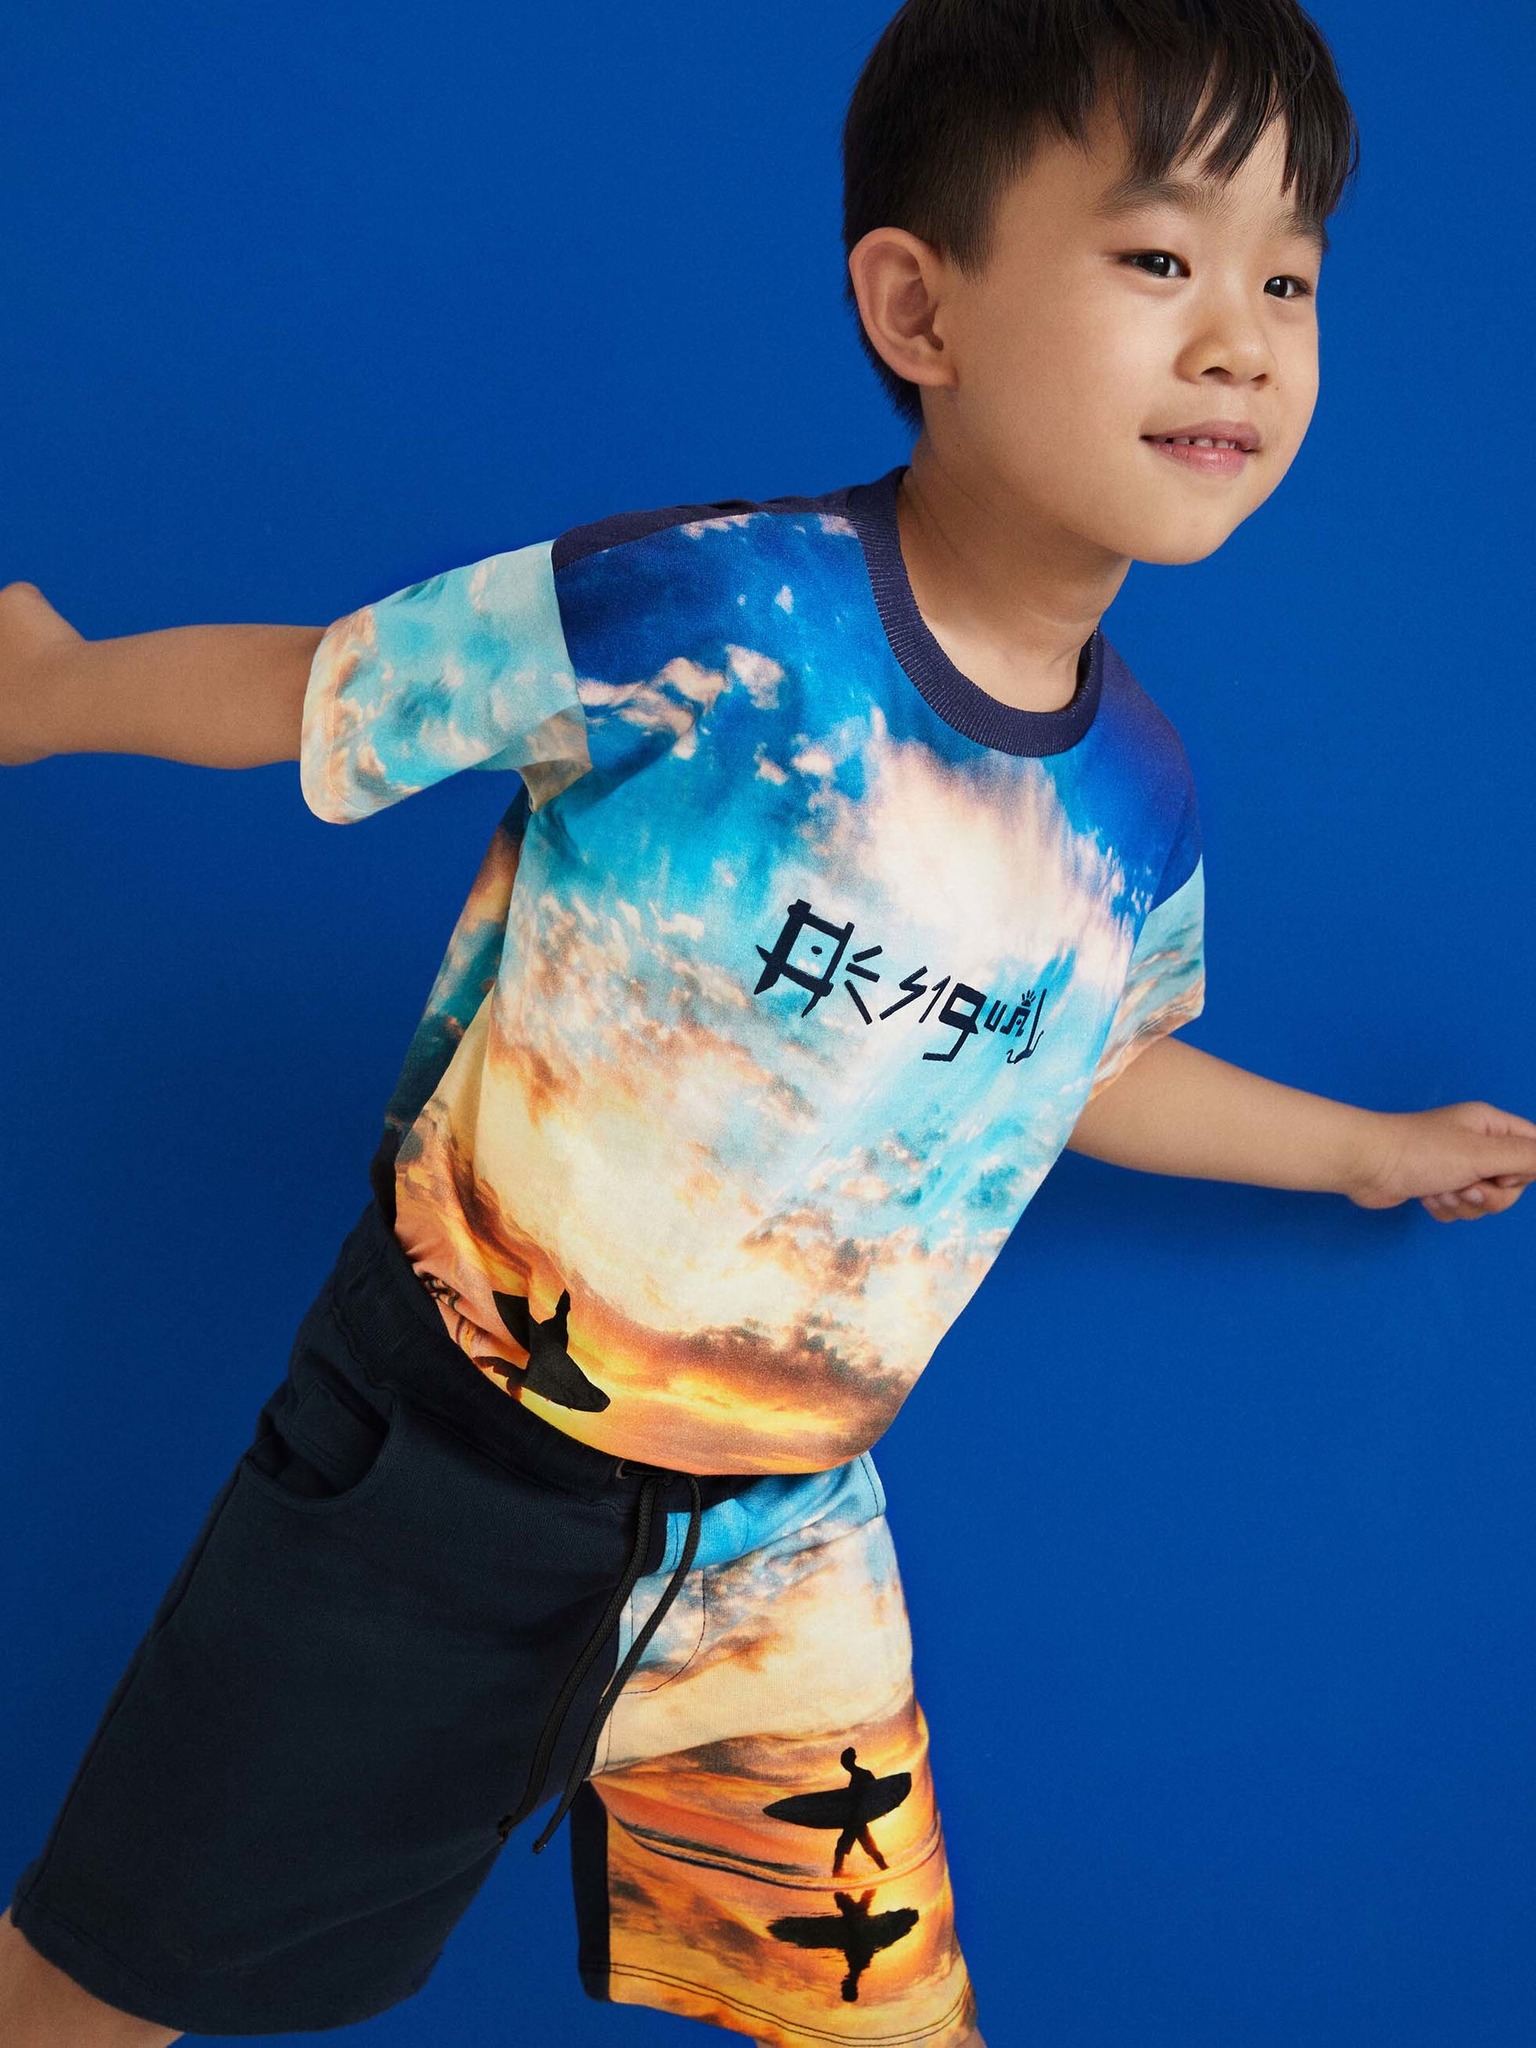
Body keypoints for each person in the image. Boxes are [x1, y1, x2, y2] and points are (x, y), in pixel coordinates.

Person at [2, 1, 1533, 2043]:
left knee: (888, 2016)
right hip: (451, 1453)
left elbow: (1084, 1062)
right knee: (114, 1983)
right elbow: (332, 684)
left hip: (777, 1544)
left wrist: (1368, 1150)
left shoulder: (1141, 801)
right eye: (1162, 256)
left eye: (1289, 282)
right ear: (919, 307)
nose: (1240, 339)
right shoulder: (712, 613)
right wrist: (50, 689)